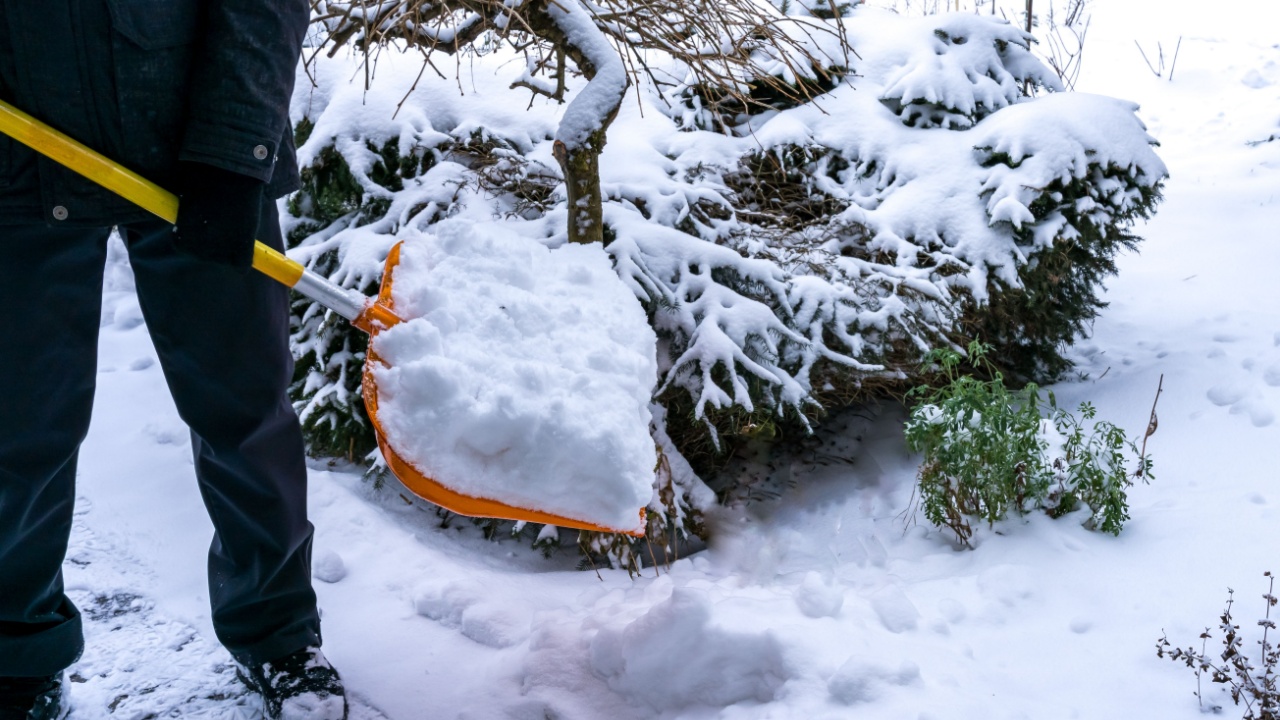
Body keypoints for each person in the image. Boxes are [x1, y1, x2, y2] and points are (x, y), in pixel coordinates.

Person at [0, 1, 346, 718]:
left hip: (196, 150)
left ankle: (278, 636)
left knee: (245, 411)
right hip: (18, 164)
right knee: (16, 421)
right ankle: (15, 655)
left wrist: (232, 150)